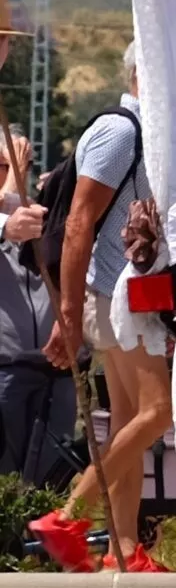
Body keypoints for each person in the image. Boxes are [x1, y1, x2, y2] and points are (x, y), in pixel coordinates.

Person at [29, 46, 168, 573]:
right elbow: (79, 223)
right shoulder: (122, 133)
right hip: (114, 296)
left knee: (131, 419)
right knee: (161, 412)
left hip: (115, 294)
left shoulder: (134, 132)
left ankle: (125, 552)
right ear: (140, 74)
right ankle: (69, 517)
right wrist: (68, 314)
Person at [0, 123, 68, 488]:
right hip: (5, 368)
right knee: (5, 480)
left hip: (54, 368)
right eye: (4, 165)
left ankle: (40, 544)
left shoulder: (38, 211)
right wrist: (13, 180)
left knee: (50, 483)